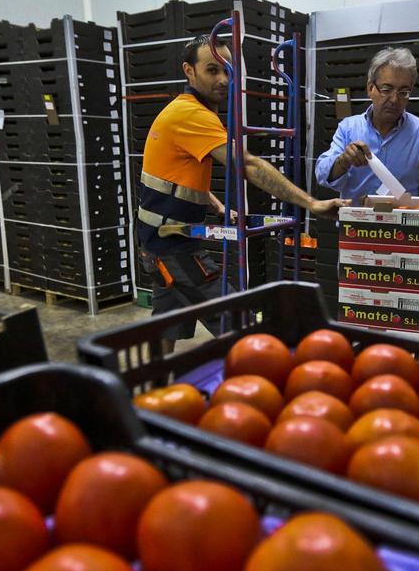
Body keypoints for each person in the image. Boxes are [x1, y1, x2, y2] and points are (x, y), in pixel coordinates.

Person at [136, 35, 346, 348]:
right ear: (189, 71)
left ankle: (159, 390)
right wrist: (311, 203)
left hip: (155, 242)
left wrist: (219, 206)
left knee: (169, 321)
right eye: (212, 70)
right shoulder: (192, 115)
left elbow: (175, 175)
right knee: (238, 323)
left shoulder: (181, 110)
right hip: (173, 245)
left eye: (227, 71)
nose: (223, 79)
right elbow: (248, 165)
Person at [314, 47, 419, 200]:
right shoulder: (348, 128)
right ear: (371, 88)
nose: (394, 99)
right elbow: (322, 174)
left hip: (404, 222)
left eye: (403, 92)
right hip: (355, 222)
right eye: (386, 89)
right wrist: (343, 161)